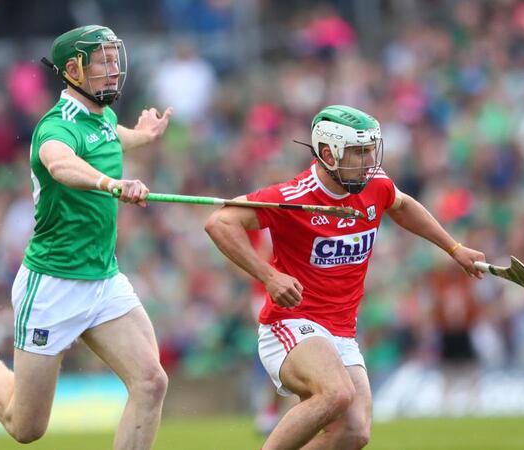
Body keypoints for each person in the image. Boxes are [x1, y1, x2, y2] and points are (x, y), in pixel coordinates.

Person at [0, 24, 173, 448]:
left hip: (104, 281)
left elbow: (112, 136)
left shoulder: (102, 117)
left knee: (151, 383)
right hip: (53, 284)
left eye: (113, 58)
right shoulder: (56, 127)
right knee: (26, 427)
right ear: (73, 69)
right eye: (103, 61)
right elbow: (60, 164)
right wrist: (113, 185)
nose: (113, 69)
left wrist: (144, 135)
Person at [204, 105, 485, 450]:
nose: (369, 161)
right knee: (336, 392)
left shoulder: (376, 184)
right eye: (358, 152)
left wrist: (454, 249)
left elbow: (402, 205)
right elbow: (219, 223)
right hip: (291, 324)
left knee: (354, 433)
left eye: (371, 150)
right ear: (328, 153)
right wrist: (269, 276)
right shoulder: (293, 198)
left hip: (342, 331)